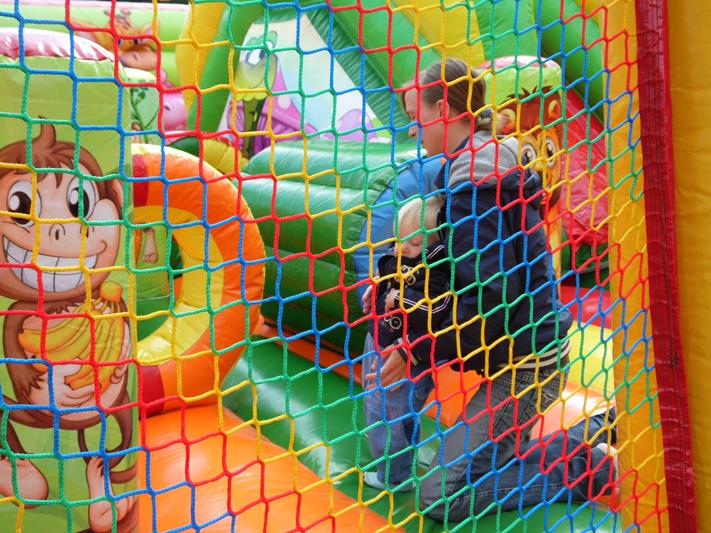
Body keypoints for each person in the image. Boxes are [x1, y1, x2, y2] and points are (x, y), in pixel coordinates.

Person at [365, 58, 616, 522]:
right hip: (506, 351)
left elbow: (490, 300)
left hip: (526, 364)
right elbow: (451, 266)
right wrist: (394, 286)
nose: (415, 130)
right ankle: (598, 427)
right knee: (485, 464)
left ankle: (588, 468)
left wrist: (417, 348)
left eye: (418, 118)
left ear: (443, 109)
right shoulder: (466, 168)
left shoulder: (476, 185)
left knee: (441, 496)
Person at [361, 195, 451, 491]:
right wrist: (378, 286)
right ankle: (397, 461)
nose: (403, 248)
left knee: (388, 409)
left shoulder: (437, 271)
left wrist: (398, 298)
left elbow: (436, 308)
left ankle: (395, 475)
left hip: (409, 352)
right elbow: (391, 273)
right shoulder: (403, 256)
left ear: (434, 245)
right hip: (381, 337)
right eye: (400, 239)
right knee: (388, 406)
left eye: (414, 243)